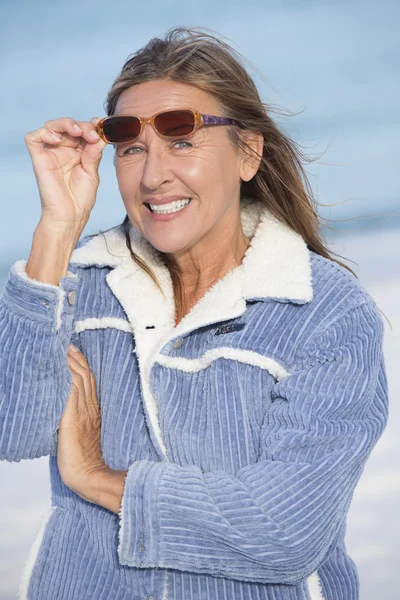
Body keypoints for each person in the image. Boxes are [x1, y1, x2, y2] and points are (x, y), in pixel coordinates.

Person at [0, 26, 388, 600]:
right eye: (131, 147)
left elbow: (284, 530)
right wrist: (56, 230)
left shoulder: (326, 312)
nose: (153, 175)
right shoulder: (80, 285)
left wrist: (98, 479)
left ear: (248, 153)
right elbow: (15, 430)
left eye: (182, 139)